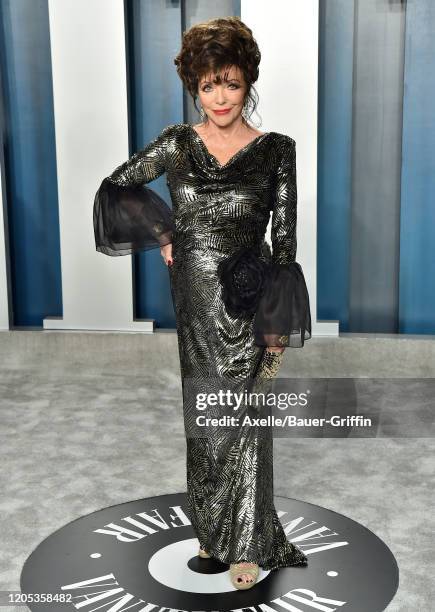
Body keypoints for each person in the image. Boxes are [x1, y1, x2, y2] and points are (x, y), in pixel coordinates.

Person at [93, 16, 311, 590]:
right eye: (208, 84)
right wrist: (164, 233)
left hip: (249, 302)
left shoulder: (277, 151)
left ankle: (248, 540)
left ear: (248, 84)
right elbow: (117, 185)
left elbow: (285, 245)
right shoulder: (176, 143)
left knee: (244, 420)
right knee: (205, 422)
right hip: (194, 305)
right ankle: (212, 537)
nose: (220, 97)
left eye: (231, 84)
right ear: (194, 85)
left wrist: (277, 322)